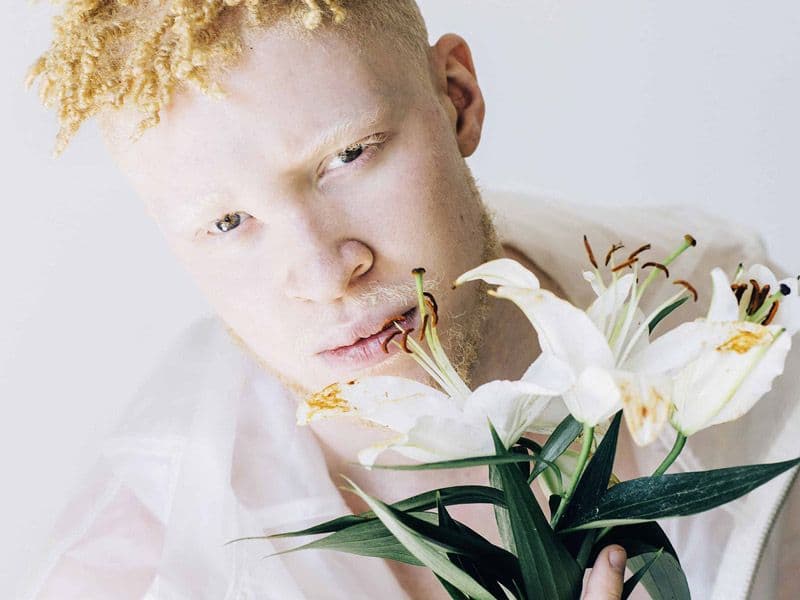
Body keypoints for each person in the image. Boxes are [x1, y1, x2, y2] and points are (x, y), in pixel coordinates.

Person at [20, 1, 798, 598]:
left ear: (457, 99)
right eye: (228, 222)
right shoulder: (144, 573)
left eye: (347, 156)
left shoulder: (733, 320)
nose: (327, 273)